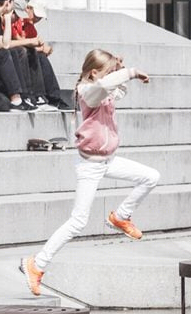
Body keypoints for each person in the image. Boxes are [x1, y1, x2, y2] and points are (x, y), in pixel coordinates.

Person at [23, 51, 158, 294]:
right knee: (78, 221)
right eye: (106, 73)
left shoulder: (103, 89)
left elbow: (116, 89)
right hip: (90, 164)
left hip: (109, 159)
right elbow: (106, 86)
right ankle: (37, 264)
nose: (111, 77)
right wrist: (130, 73)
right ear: (94, 73)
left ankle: (121, 216)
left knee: (151, 177)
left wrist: (119, 71)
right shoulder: (87, 92)